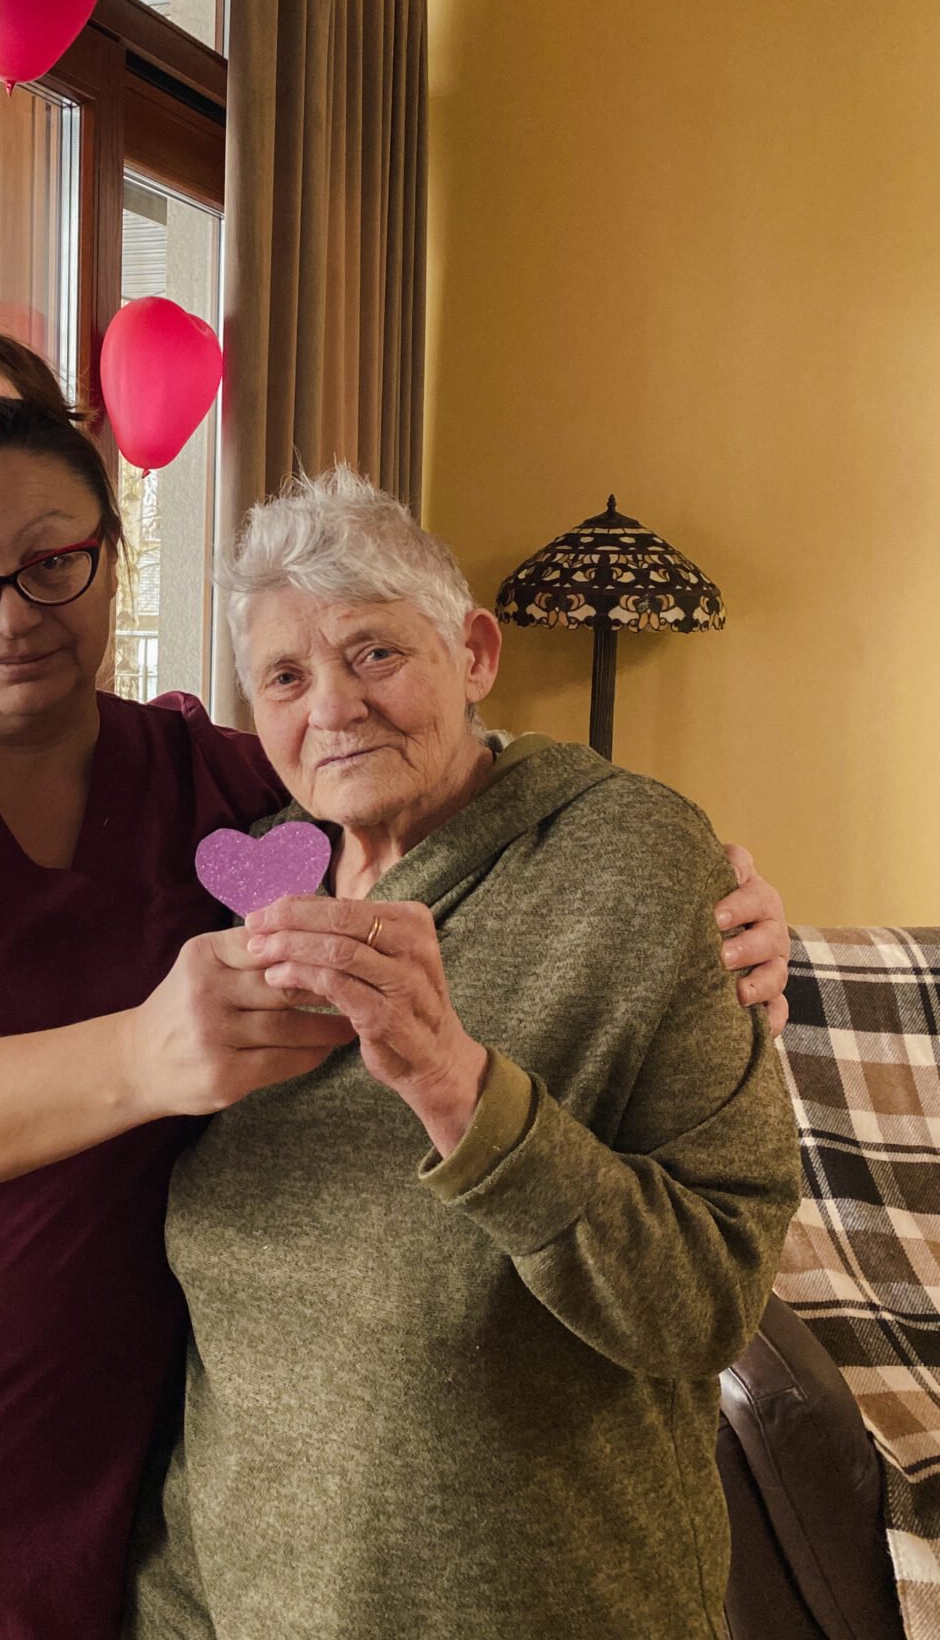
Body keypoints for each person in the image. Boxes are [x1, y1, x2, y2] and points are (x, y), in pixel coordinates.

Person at [0, 336, 790, 1640]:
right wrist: (147, 1054)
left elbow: (420, 771)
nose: (12, 614)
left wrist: (698, 886)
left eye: (53, 561)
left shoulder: (218, 786)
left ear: (110, 556)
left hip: (112, 1443)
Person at [123, 467, 802, 1640]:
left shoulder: (639, 865)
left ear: (476, 653)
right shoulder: (246, 883)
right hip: (230, 1601)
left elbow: (708, 1302)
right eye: (286, 676)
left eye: (376, 651)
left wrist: (457, 1085)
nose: (334, 706)